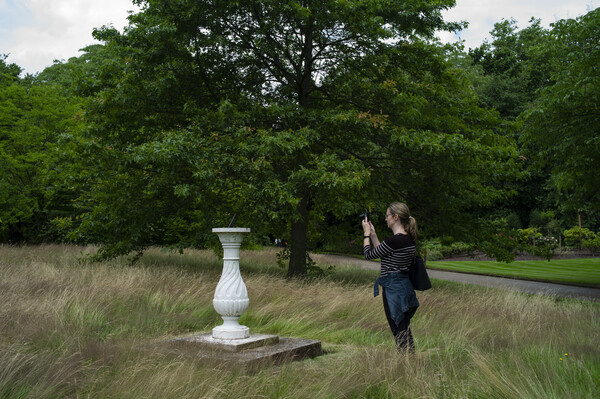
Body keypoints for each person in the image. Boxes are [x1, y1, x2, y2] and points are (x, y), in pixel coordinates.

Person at [362, 202, 419, 352]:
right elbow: (383, 253)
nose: (385, 219)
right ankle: (411, 363)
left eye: (387, 216)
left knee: (398, 331)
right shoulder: (408, 239)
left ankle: (406, 366)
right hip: (404, 287)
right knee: (404, 329)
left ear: (396, 217)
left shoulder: (394, 240)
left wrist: (366, 234)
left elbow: (368, 254)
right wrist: (374, 235)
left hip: (393, 289)